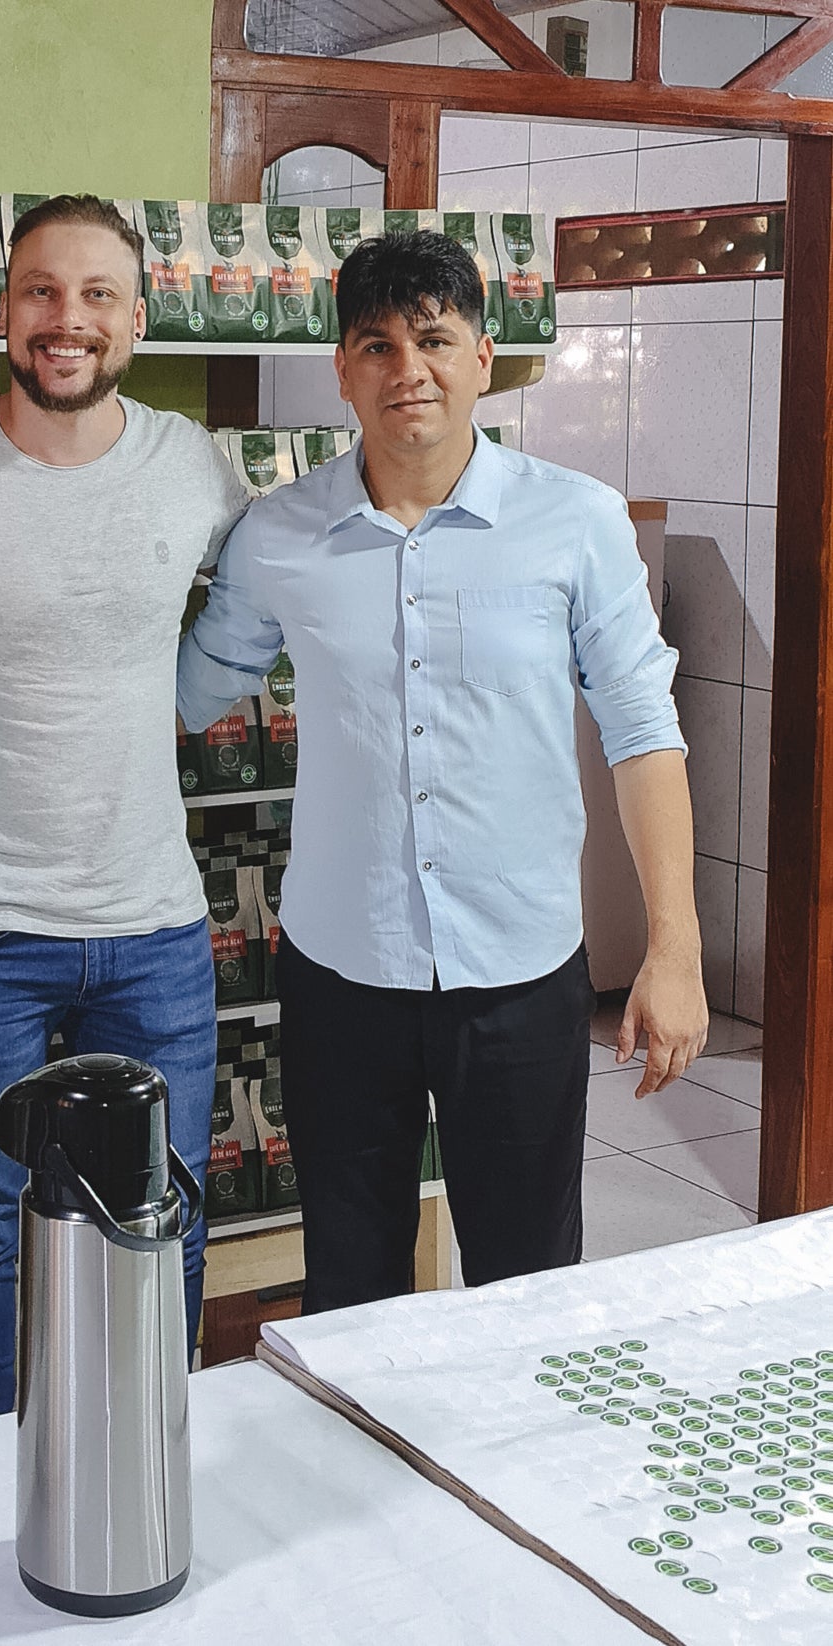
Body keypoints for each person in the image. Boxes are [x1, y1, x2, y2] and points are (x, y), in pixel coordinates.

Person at [178, 230, 708, 1313]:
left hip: (516, 968)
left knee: (523, 1284)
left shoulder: (576, 521)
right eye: (373, 344)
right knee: (351, 1278)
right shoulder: (279, 533)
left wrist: (673, 947)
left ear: (482, 356)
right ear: (340, 369)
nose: (403, 367)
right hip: (339, 968)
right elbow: (187, 693)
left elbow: (641, 730)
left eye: (431, 337)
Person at [0, 194, 249, 1424]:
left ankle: (145, 1456)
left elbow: (262, 611)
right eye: (38, 292)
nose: (63, 320)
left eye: (92, 296)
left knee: (162, 1210)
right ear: (4, 309)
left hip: (154, 922)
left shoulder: (194, 466)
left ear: (136, 318)